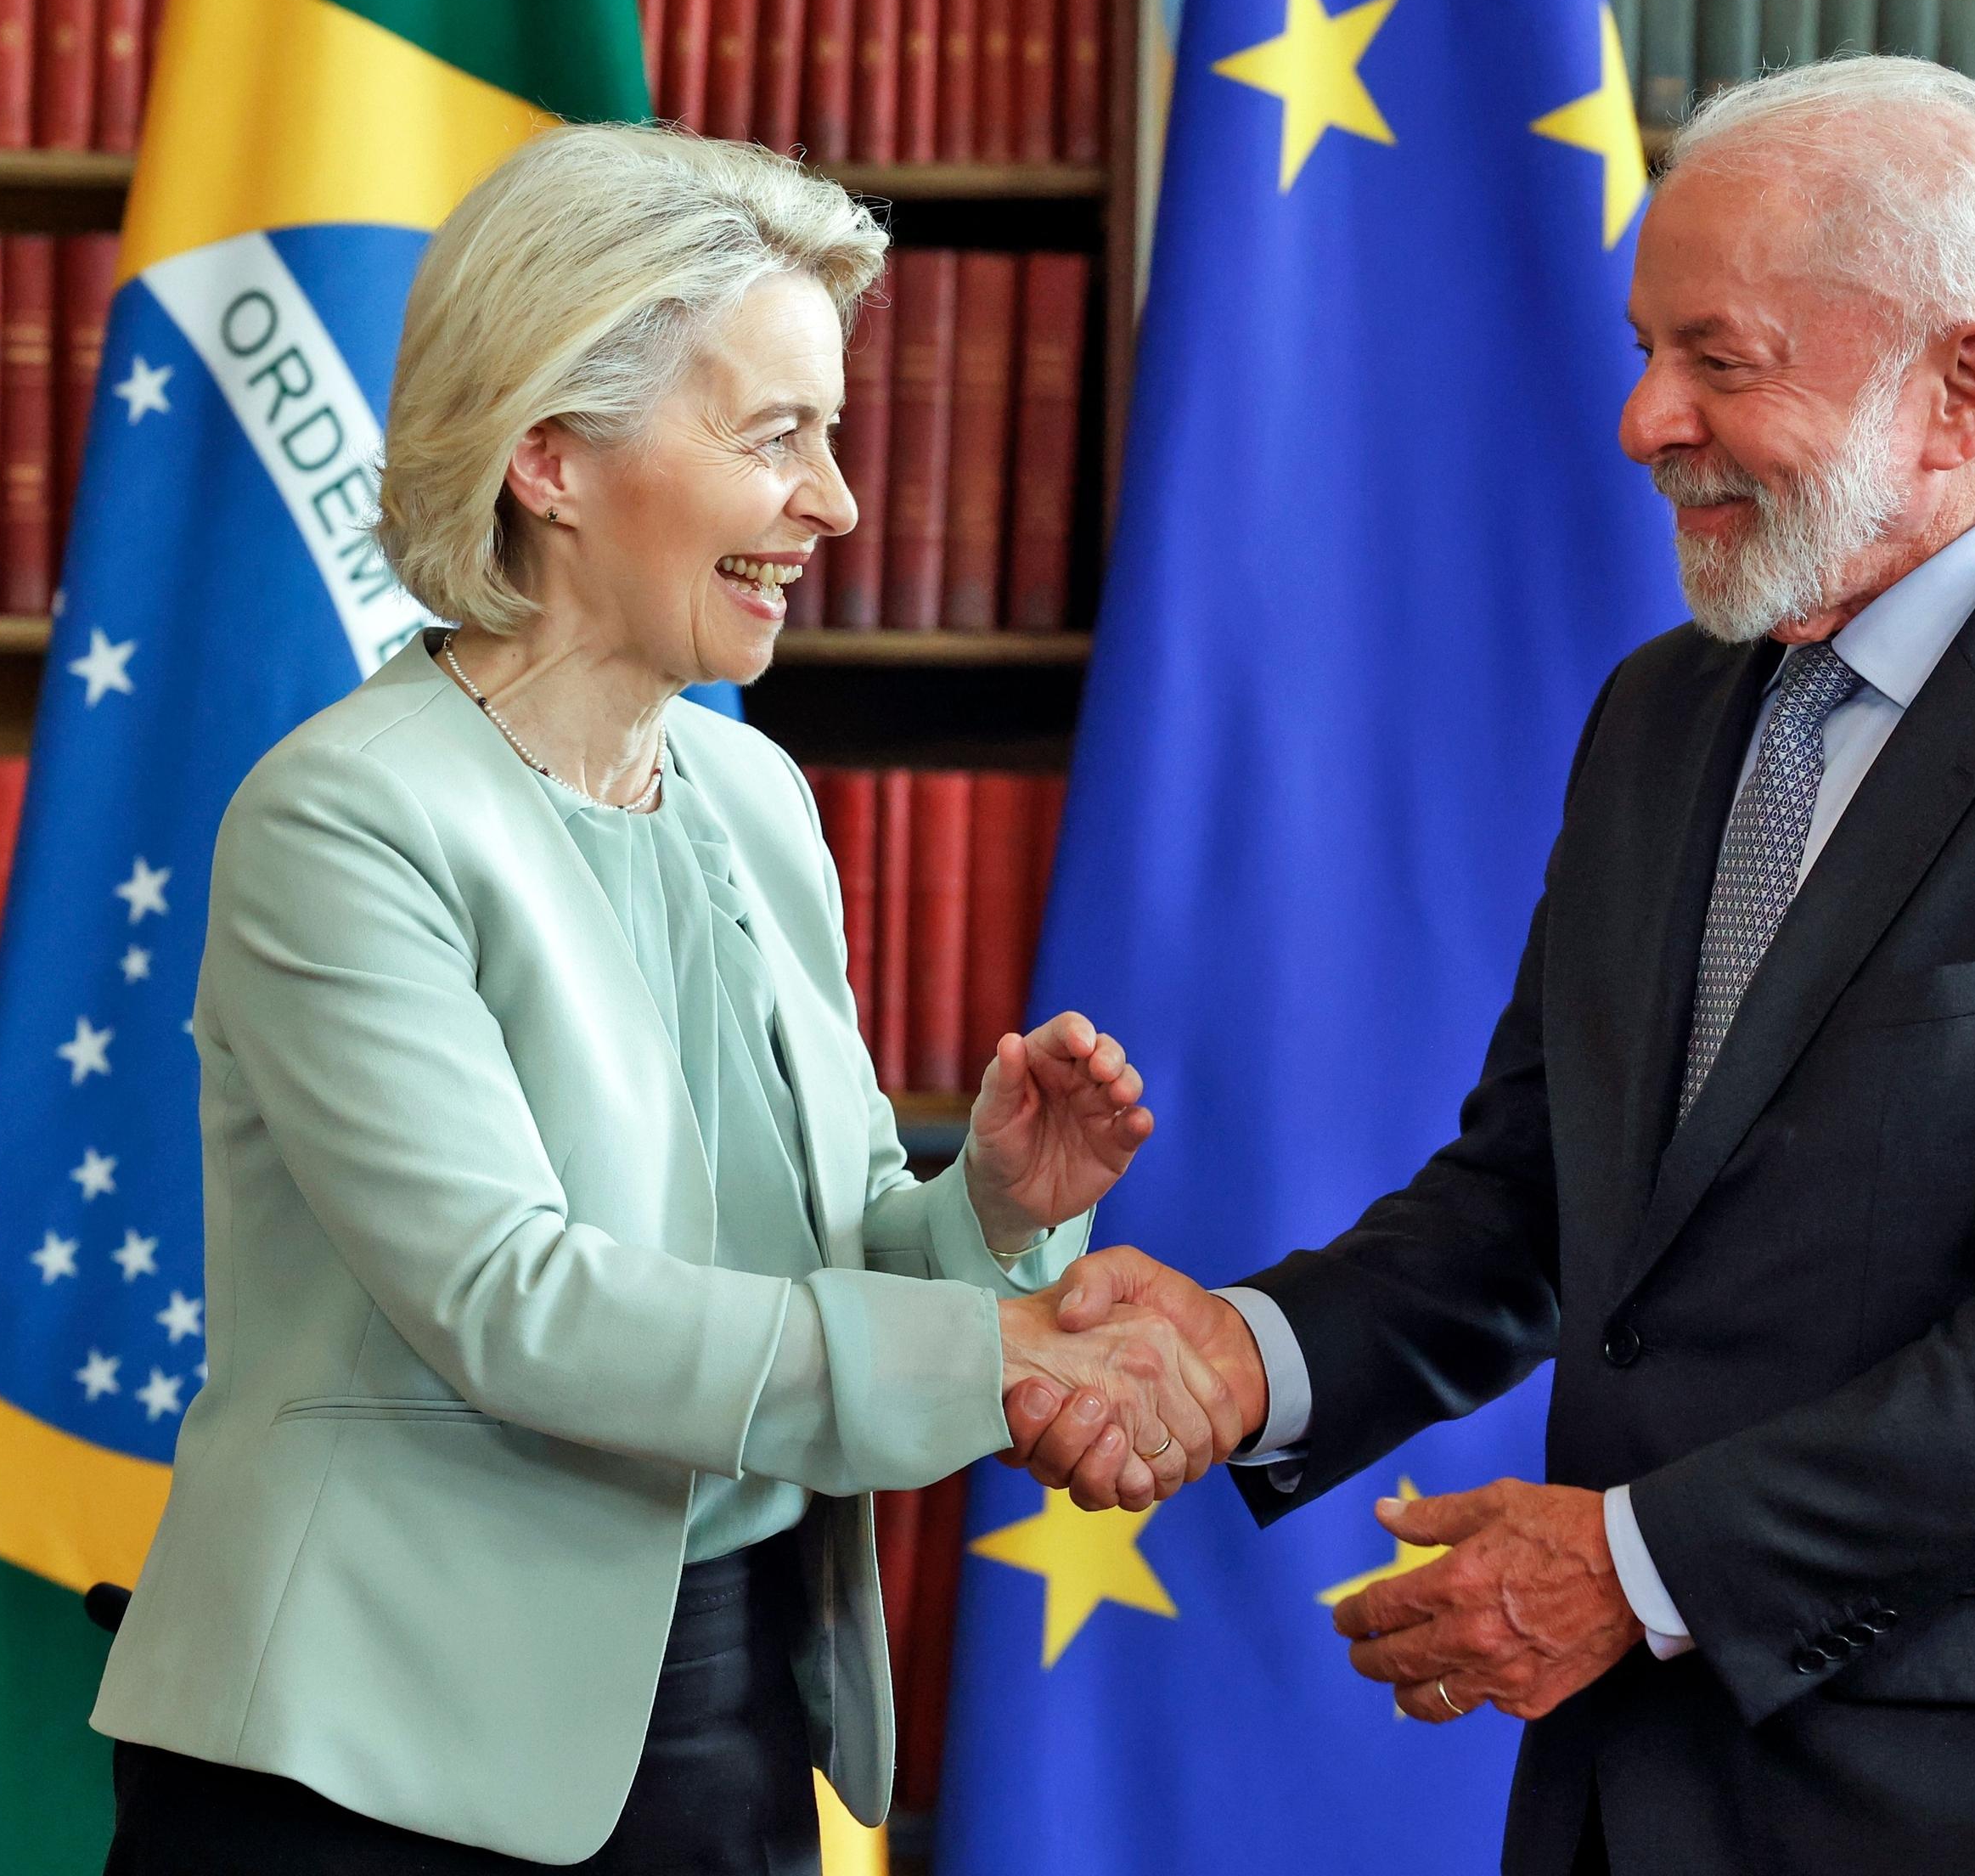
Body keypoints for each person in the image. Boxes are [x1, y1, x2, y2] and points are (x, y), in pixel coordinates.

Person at [1020, 55, 1975, 1874]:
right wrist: (1244, 1353)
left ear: (1963, 385)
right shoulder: (1665, 713)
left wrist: (1635, 1563)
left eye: (1719, 361)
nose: (1641, 416)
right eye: (1650, 347)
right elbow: (1539, 1194)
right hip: (1639, 1781)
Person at [91, 124, 1240, 1873]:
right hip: (372, 1752)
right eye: (777, 436)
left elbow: (820, 1265)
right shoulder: (346, 817)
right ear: (547, 455)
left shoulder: (755, 801)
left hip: (735, 1706)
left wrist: (991, 1219)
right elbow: (508, 1299)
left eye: (830, 437)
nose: (836, 502)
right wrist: (995, 1353)